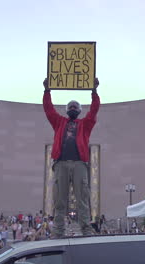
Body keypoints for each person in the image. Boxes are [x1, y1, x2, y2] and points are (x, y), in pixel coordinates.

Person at [43, 77, 100, 238]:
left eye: (75, 106)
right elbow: (49, 110)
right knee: (59, 200)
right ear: (67, 110)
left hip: (79, 164)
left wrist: (94, 91)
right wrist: (47, 90)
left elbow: (94, 110)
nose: (73, 108)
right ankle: (58, 232)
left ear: (79, 110)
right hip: (60, 164)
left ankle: (86, 231)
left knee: (82, 199)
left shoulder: (85, 124)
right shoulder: (59, 122)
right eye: (70, 106)